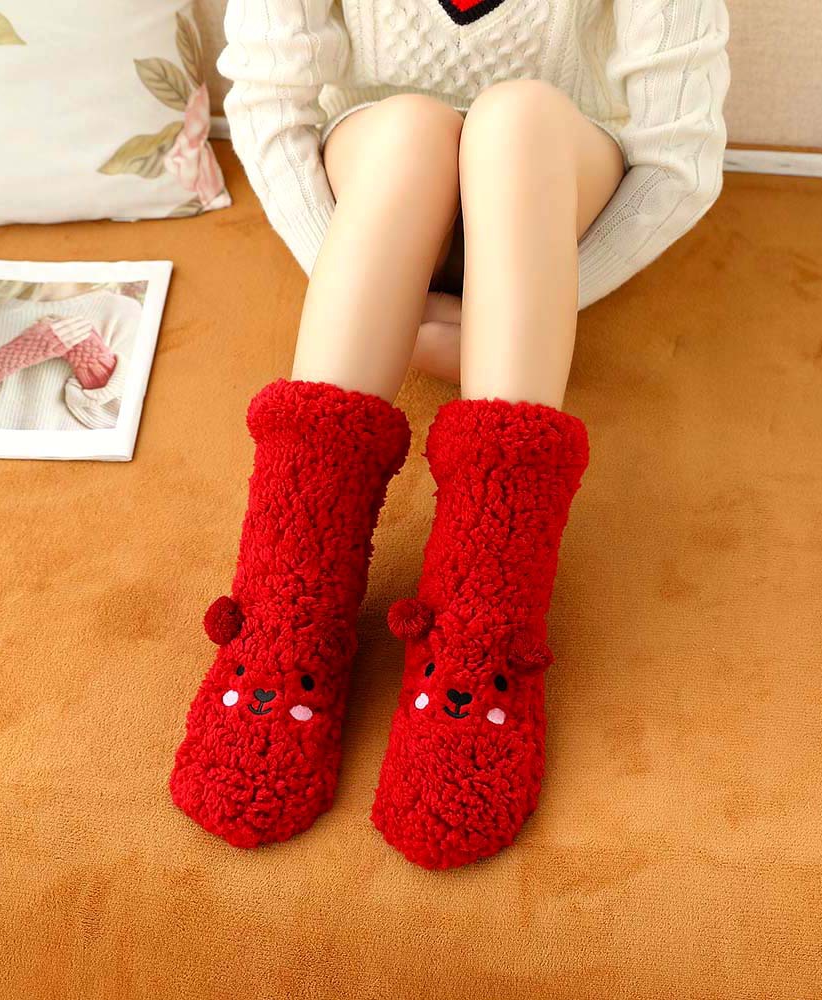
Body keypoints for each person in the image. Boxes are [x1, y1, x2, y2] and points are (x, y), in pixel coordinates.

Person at [170, 0, 730, 868]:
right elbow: (274, 107)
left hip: (555, 194)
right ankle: (288, 604)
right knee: (410, 130)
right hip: (380, 195)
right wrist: (371, 294)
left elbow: (678, 157)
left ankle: (487, 615)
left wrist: (540, 304)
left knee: (517, 117)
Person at [0, 281, 138, 431]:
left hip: (59, 466)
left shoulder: (121, 311)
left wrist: (93, 360)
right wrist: (7, 358)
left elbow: (122, 422)